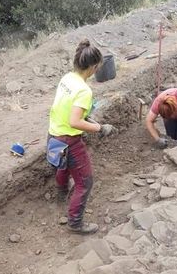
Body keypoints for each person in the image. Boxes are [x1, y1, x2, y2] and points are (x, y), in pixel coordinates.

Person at [48, 39, 116, 234]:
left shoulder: (67, 78)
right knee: (85, 182)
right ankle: (75, 223)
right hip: (69, 140)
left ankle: (61, 193)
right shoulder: (84, 90)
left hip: (53, 134)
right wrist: (100, 128)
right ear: (94, 67)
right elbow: (75, 122)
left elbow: (66, 108)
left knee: (63, 166)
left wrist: (88, 118)